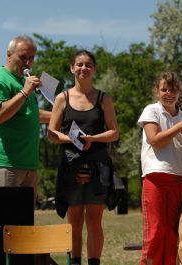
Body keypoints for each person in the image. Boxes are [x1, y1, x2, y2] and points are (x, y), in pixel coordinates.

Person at [48, 50, 119, 265]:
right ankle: (75, 262)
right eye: (79, 64)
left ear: (94, 69)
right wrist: (72, 140)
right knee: (75, 221)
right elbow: (52, 133)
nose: (83, 68)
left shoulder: (103, 98)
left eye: (88, 65)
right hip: (71, 166)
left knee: (95, 221)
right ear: (72, 68)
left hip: (98, 167)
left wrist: (92, 138)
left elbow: (114, 132)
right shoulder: (62, 98)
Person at [137, 71, 182, 265]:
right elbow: (155, 140)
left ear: (179, 92)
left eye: (173, 89)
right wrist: (181, 125)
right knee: (155, 232)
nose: (169, 93)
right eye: (164, 89)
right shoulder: (152, 110)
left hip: (177, 178)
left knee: (173, 232)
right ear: (157, 91)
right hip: (155, 177)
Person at [0, 35, 50, 203]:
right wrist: (24, 92)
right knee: (4, 221)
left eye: (32, 58)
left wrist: (62, 114)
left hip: (27, 163)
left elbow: (30, 114)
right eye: (23, 57)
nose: (28, 62)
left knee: (25, 226)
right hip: (3, 163)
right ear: (9, 55)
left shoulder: (24, 82)